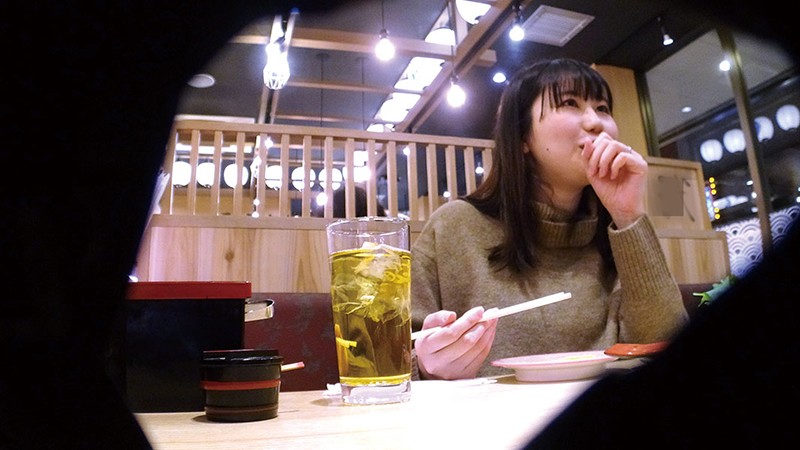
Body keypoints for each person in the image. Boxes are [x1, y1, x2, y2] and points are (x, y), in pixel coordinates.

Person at [411, 58, 689, 380]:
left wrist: (628, 214)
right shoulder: (453, 227)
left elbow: (666, 341)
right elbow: (394, 358)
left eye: (602, 108)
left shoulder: (617, 234)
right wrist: (427, 366)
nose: (595, 122)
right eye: (570, 103)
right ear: (522, 137)